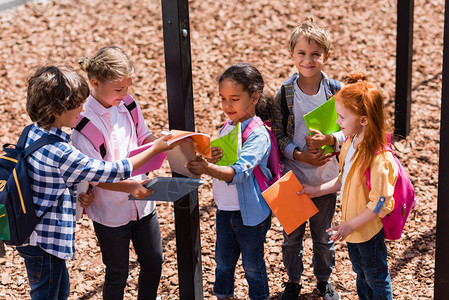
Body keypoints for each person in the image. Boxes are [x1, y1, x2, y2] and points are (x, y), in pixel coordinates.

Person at [16, 65, 178, 300]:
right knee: (49, 294)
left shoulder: (32, 131)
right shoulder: (60, 150)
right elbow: (110, 171)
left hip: (32, 234)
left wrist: (81, 194)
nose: (83, 109)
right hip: (44, 240)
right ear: (58, 109)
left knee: (58, 291)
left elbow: (46, 180)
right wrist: (156, 148)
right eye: (78, 104)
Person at [72, 46, 163, 300]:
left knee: (154, 261)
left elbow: (144, 135)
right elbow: (95, 176)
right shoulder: (83, 124)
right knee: (117, 273)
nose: (124, 95)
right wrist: (131, 187)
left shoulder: (129, 103)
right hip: (110, 212)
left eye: (127, 87)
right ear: (95, 83)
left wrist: (162, 146)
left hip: (143, 204)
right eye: (119, 89)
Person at [302, 73, 396, 300]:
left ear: (363, 120)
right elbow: (342, 179)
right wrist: (315, 190)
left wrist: (349, 226)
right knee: (361, 273)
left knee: (376, 278)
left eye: (342, 117)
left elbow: (379, 205)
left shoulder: (380, 159)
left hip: (366, 231)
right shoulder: (350, 143)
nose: (337, 122)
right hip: (351, 229)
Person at [271, 18, 344, 300]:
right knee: (291, 239)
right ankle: (293, 281)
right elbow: (278, 133)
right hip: (294, 178)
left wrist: (331, 140)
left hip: (325, 178)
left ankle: (324, 281)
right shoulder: (286, 93)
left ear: (326, 55)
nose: (308, 59)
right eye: (301, 53)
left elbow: (348, 130)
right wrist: (299, 154)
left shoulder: (336, 90)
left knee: (323, 238)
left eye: (315, 54)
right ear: (292, 55)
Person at [187, 63, 272, 300]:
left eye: (234, 99)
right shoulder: (229, 125)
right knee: (222, 262)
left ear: (254, 97)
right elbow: (226, 158)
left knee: (252, 265)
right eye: (223, 98)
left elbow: (241, 171)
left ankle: (260, 296)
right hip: (225, 210)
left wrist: (208, 168)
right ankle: (222, 295)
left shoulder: (257, 133)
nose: (227, 105)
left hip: (251, 214)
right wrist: (212, 157)